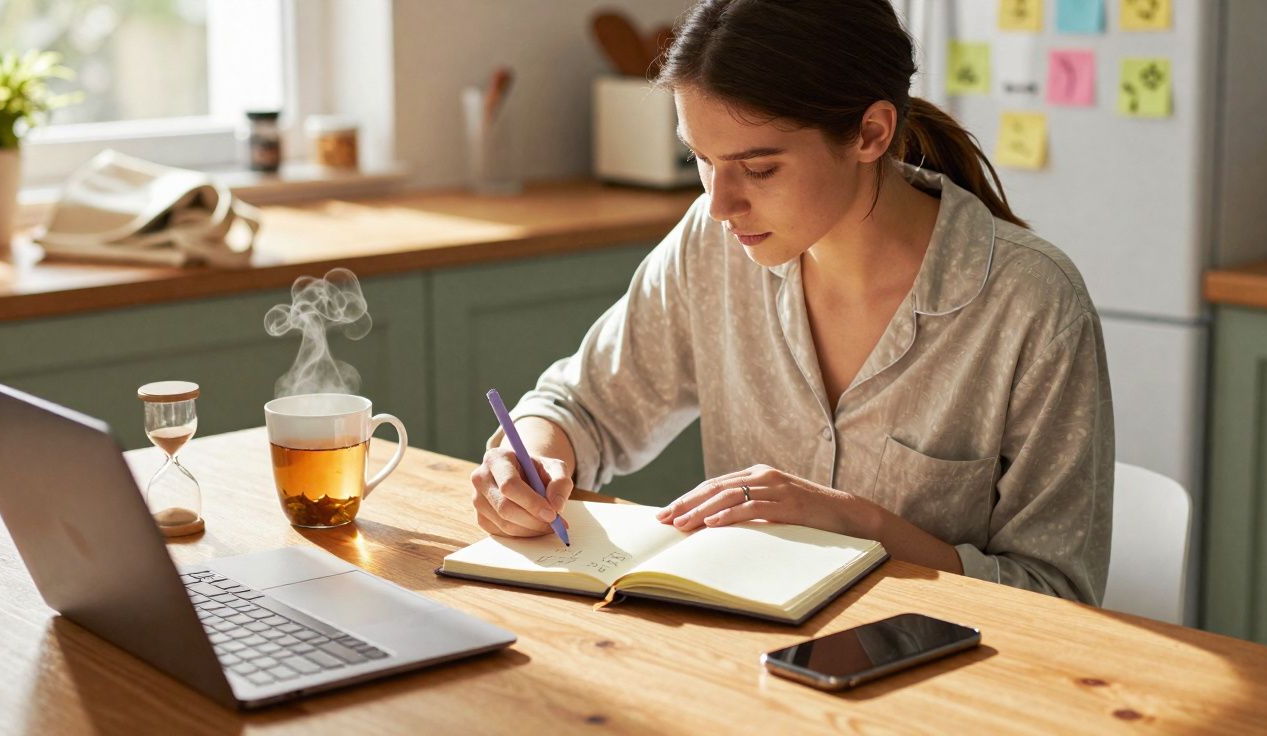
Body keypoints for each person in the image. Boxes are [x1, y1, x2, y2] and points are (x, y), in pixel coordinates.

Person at [470, 0, 1113, 604]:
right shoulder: (712, 242)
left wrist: (855, 523)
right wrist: (531, 453)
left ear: (870, 133)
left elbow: (1058, 596)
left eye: (760, 168)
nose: (721, 205)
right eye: (699, 158)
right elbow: (582, 406)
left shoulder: (1033, 303)